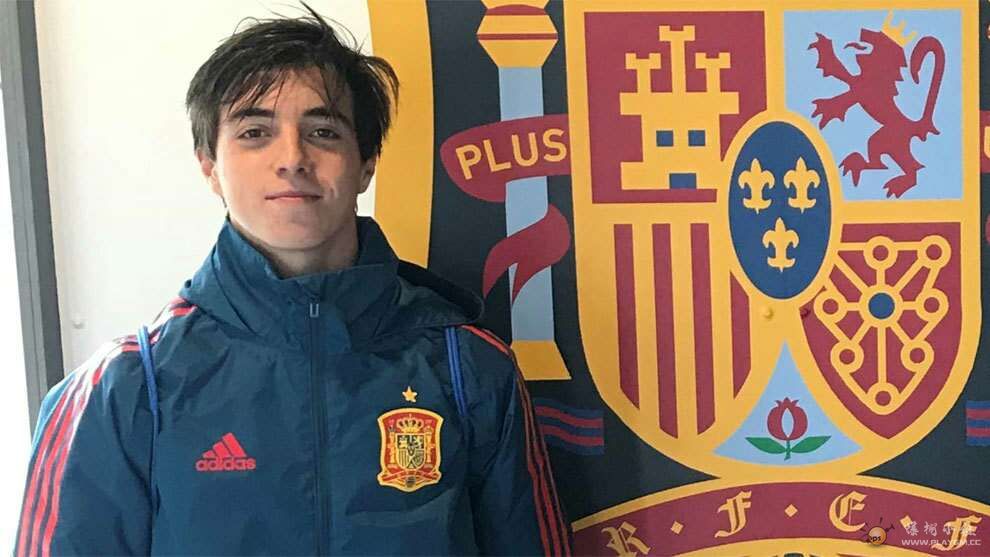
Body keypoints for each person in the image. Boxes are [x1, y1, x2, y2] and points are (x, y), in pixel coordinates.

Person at [15, 6, 570, 556]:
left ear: (367, 162)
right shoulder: (124, 390)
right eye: (255, 132)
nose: (292, 158)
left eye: (323, 132)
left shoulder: (470, 368)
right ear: (209, 165)